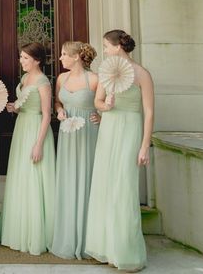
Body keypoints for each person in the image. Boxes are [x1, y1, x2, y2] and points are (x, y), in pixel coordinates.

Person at [85, 29, 154, 272]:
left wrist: (145, 144)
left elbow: (149, 112)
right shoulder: (106, 72)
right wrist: (107, 104)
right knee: (105, 184)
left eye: (106, 46)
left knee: (123, 186)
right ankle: (104, 247)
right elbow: (97, 102)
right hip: (109, 129)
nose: (104, 51)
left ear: (118, 47)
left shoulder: (142, 74)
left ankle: (125, 251)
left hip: (130, 129)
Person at [1, 42, 55, 255]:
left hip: (36, 130)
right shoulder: (24, 79)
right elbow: (23, 103)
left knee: (34, 178)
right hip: (22, 128)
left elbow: (47, 115)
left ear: (37, 60)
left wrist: (39, 144)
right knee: (22, 177)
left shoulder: (43, 82)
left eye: (25, 58)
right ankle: (19, 229)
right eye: (21, 57)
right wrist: (14, 107)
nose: (21, 61)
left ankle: (36, 234)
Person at [50, 41, 100, 260]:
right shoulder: (62, 78)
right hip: (67, 136)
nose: (60, 58)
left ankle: (90, 239)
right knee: (68, 179)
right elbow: (57, 103)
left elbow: (110, 105)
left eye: (63, 54)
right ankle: (68, 235)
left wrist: (102, 116)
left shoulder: (95, 79)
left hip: (88, 134)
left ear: (76, 56)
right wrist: (59, 111)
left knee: (87, 179)